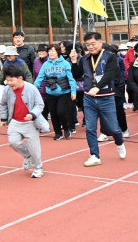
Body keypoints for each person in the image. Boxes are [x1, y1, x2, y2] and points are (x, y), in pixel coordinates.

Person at [70, 32, 127, 167]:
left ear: (100, 43)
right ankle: (94, 155)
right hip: (89, 97)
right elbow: (77, 75)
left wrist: (98, 87)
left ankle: (119, 143)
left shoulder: (110, 57)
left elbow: (110, 74)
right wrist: (74, 62)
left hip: (106, 97)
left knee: (114, 128)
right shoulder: (84, 59)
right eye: (87, 44)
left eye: (93, 44)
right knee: (90, 128)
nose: (90, 47)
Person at [0, 65, 48, 178]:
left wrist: (32, 114)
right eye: (7, 80)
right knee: (13, 142)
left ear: (20, 78)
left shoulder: (31, 89)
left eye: (11, 80)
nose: (9, 83)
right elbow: (2, 103)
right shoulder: (7, 90)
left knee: (34, 148)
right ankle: (27, 155)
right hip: (15, 121)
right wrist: (3, 118)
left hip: (30, 123)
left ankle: (38, 168)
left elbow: (40, 104)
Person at [34, 44, 76, 140]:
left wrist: (73, 91)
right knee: (53, 113)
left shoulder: (65, 63)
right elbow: (39, 78)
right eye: (49, 51)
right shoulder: (45, 65)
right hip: (50, 92)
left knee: (61, 111)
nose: (51, 53)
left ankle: (66, 128)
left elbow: (71, 78)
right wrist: (33, 89)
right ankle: (58, 133)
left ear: (58, 52)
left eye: (53, 51)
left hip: (64, 92)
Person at [98, 44, 130, 141]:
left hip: (114, 90)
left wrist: (106, 82)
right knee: (102, 112)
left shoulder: (115, 61)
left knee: (118, 111)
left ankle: (124, 129)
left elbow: (117, 77)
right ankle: (104, 132)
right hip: (101, 90)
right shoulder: (98, 62)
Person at [32, 44, 49, 119]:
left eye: (43, 51)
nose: (41, 52)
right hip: (39, 90)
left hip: (50, 89)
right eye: (39, 51)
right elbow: (34, 75)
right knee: (42, 111)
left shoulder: (50, 60)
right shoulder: (36, 61)